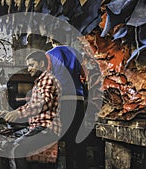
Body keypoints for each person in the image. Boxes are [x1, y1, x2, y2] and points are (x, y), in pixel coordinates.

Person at [0, 51, 62, 169]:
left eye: (32, 65)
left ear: (42, 64)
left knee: (17, 148)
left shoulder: (48, 79)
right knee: (6, 142)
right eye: (28, 65)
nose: (29, 69)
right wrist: (10, 113)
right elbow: (32, 104)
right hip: (35, 126)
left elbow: (42, 104)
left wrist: (18, 113)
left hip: (47, 128)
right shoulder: (39, 83)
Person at [46, 39, 86, 169]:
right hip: (78, 98)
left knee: (64, 136)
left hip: (62, 99)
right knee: (77, 135)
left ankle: (66, 165)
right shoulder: (77, 53)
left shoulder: (49, 54)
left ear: (52, 40)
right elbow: (84, 77)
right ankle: (80, 165)